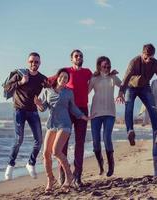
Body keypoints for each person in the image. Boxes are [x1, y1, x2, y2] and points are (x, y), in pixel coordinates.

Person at [35, 68, 91, 193]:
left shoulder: (68, 92)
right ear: (57, 77)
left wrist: (83, 116)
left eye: (66, 78)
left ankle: (69, 175)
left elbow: (73, 108)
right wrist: (39, 104)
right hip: (52, 125)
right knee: (45, 153)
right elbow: (43, 108)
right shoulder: (47, 90)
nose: (63, 79)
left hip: (65, 124)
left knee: (56, 151)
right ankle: (50, 179)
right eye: (62, 77)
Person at [116, 44, 157, 147]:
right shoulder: (134, 62)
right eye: (146, 57)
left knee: (152, 108)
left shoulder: (156, 64)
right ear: (142, 54)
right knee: (129, 107)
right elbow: (126, 78)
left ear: (154, 56)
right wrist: (121, 93)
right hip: (131, 87)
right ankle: (130, 131)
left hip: (145, 87)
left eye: (150, 58)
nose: (148, 60)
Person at [3, 52, 48, 180]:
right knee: (19, 140)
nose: (34, 64)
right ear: (28, 62)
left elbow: (52, 86)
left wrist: (42, 104)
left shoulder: (42, 79)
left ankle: (30, 163)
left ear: (40, 63)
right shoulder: (20, 74)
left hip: (33, 111)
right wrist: (21, 82)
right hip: (19, 110)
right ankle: (10, 166)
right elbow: (7, 88)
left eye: (37, 62)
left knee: (39, 140)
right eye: (32, 61)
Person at [54, 49, 92, 187]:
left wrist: (109, 73)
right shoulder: (66, 72)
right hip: (67, 110)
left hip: (82, 110)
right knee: (63, 143)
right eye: (76, 56)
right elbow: (50, 81)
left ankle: (77, 176)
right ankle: (63, 173)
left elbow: (98, 77)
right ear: (71, 59)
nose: (79, 57)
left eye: (81, 56)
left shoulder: (87, 72)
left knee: (80, 143)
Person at [88, 56, 122, 177]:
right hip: (95, 113)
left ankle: (111, 163)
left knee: (107, 137)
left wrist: (120, 94)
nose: (107, 68)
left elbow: (123, 85)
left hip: (110, 113)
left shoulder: (113, 77)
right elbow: (85, 92)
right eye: (104, 66)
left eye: (108, 66)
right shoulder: (94, 78)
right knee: (96, 141)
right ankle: (100, 164)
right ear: (99, 66)